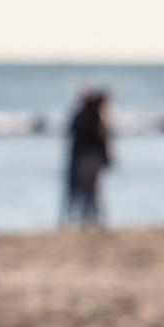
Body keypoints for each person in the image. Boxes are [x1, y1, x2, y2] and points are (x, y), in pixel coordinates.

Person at [63, 87, 112, 226]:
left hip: (82, 157)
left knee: (84, 190)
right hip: (91, 158)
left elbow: (71, 133)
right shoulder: (97, 117)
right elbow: (102, 140)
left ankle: (86, 218)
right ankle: (91, 218)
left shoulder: (81, 116)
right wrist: (106, 157)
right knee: (91, 190)